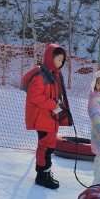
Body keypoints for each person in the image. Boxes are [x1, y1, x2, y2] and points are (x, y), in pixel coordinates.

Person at [21, 43, 71, 189]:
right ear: (50, 58)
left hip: (50, 117)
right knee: (45, 147)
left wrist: (58, 105)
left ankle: (46, 172)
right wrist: (53, 105)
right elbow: (35, 96)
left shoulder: (54, 75)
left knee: (49, 145)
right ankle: (42, 176)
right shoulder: (41, 74)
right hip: (42, 117)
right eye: (59, 59)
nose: (61, 63)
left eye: (62, 60)